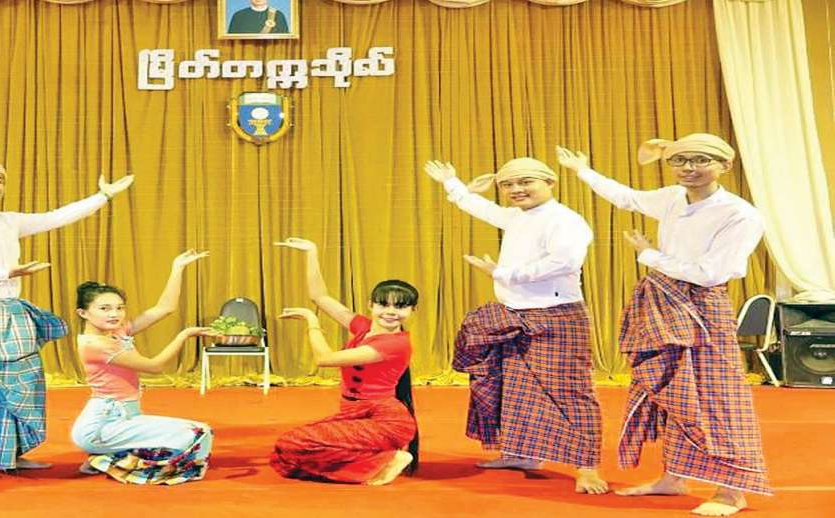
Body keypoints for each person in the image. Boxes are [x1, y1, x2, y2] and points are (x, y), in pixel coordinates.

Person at [557, 134, 771, 516]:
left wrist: (649, 254)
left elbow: (711, 273)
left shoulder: (740, 214)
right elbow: (627, 197)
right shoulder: (673, 197)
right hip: (662, 299)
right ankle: (673, 478)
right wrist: (582, 170)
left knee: (717, 398)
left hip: (703, 308)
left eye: (701, 160)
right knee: (671, 393)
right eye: (680, 160)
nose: (689, 168)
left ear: (725, 165)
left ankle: (731, 492)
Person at [0, 159, 134, 489]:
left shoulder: (8, 221)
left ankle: (6, 454)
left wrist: (103, 196)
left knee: (12, 387)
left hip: (5, 314)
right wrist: (4, 273)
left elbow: (56, 217)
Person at [424, 157, 608, 494]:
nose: (516, 190)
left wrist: (502, 273)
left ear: (550, 183)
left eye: (525, 182)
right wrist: (452, 182)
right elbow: (481, 208)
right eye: (508, 184)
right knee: (516, 388)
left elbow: (564, 262)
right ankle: (524, 454)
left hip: (557, 316)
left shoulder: (566, 220)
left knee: (572, 391)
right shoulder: (516, 217)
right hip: (513, 313)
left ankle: (588, 468)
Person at [271, 237, 418, 485]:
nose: (391, 312)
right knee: (285, 455)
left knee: (294, 442)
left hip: (384, 420)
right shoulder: (363, 327)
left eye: (400, 307)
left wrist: (312, 321)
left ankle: (388, 457)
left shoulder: (396, 344)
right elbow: (319, 296)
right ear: (371, 305)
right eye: (383, 305)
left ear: (413, 310)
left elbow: (324, 359)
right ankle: (380, 457)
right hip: (354, 413)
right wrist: (311, 253)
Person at [70, 249, 214, 484]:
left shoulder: (117, 331)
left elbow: (164, 308)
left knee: (190, 436)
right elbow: (155, 366)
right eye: (105, 309)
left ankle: (107, 458)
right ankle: (106, 457)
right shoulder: (96, 344)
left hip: (123, 417)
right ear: (83, 313)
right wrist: (184, 335)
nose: (115, 314)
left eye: (119, 307)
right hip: (102, 426)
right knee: (199, 433)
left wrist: (177, 267)